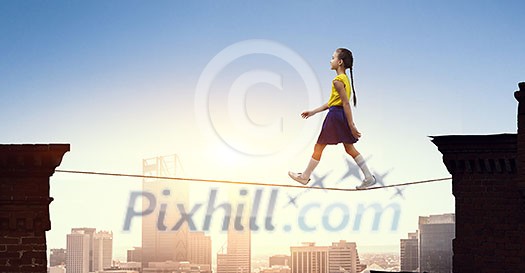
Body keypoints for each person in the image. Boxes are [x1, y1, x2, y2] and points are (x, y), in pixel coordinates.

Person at [288, 48, 376, 189]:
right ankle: (368, 177)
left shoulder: (337, 81)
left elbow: (345, 103)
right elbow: (333, 102)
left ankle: (304, 176)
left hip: (335, 116)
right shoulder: (344, 79)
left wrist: (352, 125)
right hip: (339, 114)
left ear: (340, 62)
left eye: (333, 58)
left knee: (319, 146)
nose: (330, 60)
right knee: (349, 148)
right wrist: (313, 112)